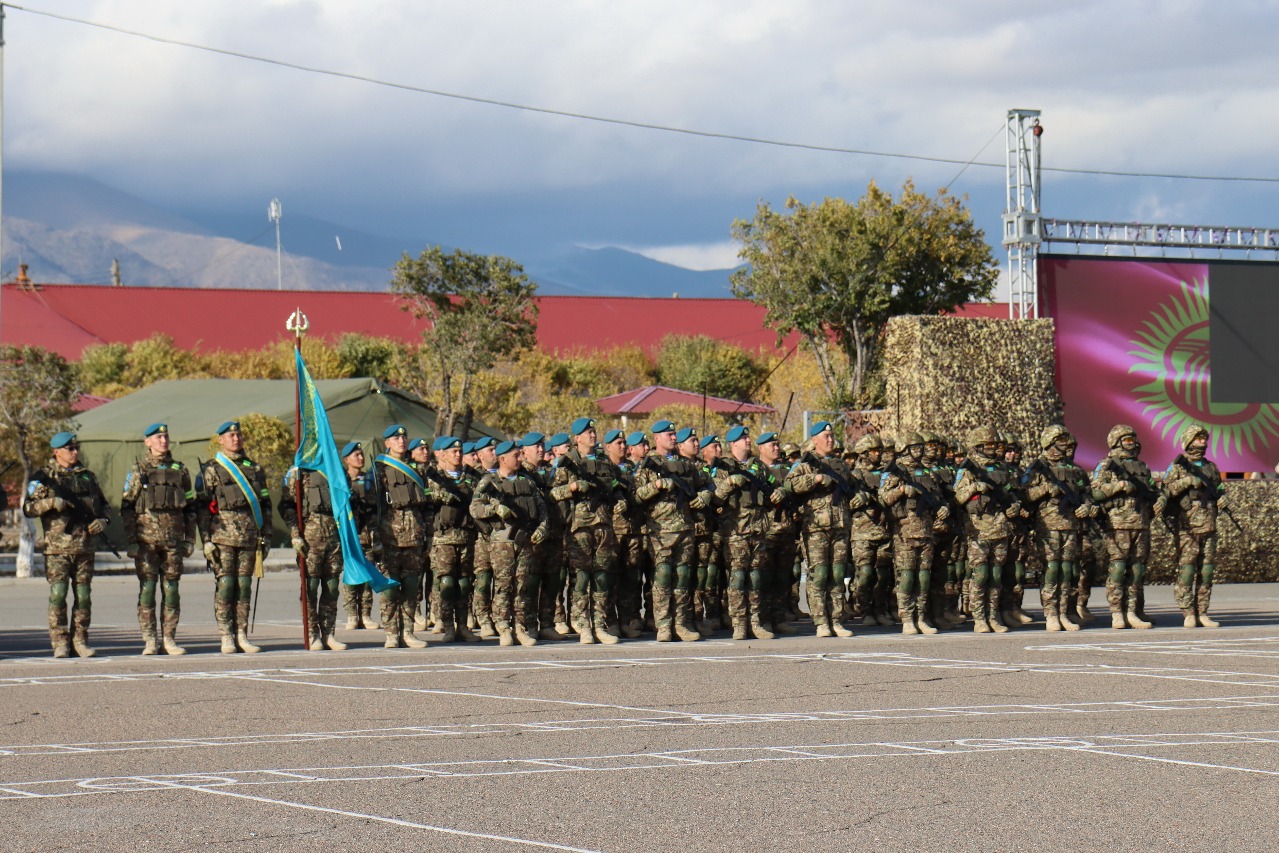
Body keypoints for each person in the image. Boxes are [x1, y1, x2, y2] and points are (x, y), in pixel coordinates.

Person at [23, 431, 111, 658]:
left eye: (75, 448)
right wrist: (51, 503)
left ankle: (80, 641)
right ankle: (60, 642)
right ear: (56, 451)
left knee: (83, 596)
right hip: (57, 548)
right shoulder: (43, 478)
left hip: (85, 546)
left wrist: (103, 521)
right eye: (69, 449)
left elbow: (104, 506)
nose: (74, 452)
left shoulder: (87, 477)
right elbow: (28, 508)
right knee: (59, 594)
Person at [633, 420, 714, 642]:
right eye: (668, 434)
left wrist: (706, 495)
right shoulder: (648, 464)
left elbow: (706, 484)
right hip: (661, 531)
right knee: (663, 577)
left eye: (674, 433)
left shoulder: (686, 465)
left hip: (685, 528)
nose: (673, 437)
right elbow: (635, 496)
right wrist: (656, 487)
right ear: (657, 438)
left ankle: (681, 623)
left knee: (682, 577)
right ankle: (663, 625)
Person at [196, 421, 271, 654]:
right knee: (226, 586)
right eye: (230, 435)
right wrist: (206, 540)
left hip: (249, 536)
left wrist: (266, 535)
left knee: (244, 586)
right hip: (222, 537)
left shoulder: (255, 469)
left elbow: (265, 504)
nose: (235, 439)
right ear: (220, 440)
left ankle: (242, 634)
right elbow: (201, 508)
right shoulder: (212, 469)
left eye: (238, 434)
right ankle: (226, 636)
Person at [120, 423, 196, 655]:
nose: (163, 441)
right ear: (148, 442)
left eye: (166, 436)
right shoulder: (138, 470)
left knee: (171, 590)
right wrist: (133, 540)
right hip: (146, 543)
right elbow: (127, 507)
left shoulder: (180, 470)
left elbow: (191, 508)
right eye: (158, 437)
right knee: (148, 589)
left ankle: (169, 639)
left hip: (173, 542)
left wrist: (189, 539)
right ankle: (150, 640)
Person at [551, 417, 625, 644]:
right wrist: (572, 487)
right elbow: (552, 494)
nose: (592, 435)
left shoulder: (604, 461)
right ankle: (583, 625)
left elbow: (616, 486)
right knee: (581, 577)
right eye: (587, 432)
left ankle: (600, 624)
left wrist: (621, 499)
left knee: (602, 576)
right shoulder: (567, 462)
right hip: (579, 527)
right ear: (577, 438)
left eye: (593, 431)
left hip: (603, 525)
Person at [471, 440, 549, 645]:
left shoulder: (528, 481)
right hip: (502, 542)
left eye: (520, 455)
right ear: (503, 458)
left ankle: (520, 626)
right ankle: (503, 626)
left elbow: (542, 509)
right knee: (504, 585)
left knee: (522, 585)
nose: (520, 459)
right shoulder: (490, 482)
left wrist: (542, 528)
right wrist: (494, 509)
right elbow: (475, 509)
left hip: (525, 540)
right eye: (516, 455)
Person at [1023, 425, 1097, 631]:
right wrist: (1046, 489)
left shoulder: (1074, 469)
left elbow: (1088, 494)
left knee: (1066, 570)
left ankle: (1064, 612)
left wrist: (1087, 507)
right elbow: (1025, 495)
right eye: (1059, 441)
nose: (1063, 447)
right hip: (1048, 527)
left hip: (1070, 526)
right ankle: (1050, 614)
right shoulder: (1037, 468)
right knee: (1051, 570)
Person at [785, 421, 855, 638]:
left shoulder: (840, 465)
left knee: (837, 574)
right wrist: (814, 479)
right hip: (816, 526)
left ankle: (836, 619)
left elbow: (852, 488)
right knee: (819, 574)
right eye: (826, 436)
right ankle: (821, 621)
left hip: (840, 525)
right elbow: (789, 485)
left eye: (832, 436)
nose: (830, 439)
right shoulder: (805, 463)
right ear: (815, 440)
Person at [879, 431, 948, 635]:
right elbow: (883, 499)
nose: (919, 451)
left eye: (920, 447)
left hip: (927, 532)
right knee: (907, 577)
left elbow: (939, 497)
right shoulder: (894, 472)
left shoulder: (928, 473)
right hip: (905, 533)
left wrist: (944, 508)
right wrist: (901, 491)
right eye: (914, 448)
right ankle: (907, 618)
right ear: (904, 449)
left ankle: (921, 617)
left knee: (924, 577)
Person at [1159, 423, 1226, 628]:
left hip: (1209, 523)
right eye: (1198, 438)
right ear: (1188, 441)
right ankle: (1188, 612)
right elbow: (1166, 490)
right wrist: (1187, 482)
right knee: (1187, 569)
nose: (1202, 442)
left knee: (1206, 571)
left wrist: (1223, 499)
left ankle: (1203, 611)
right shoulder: (1177, 466)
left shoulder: (1211, 467)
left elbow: (1220, 488)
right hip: (1187, 525)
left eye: (1204, 439)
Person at [954, 425, 1020, 634]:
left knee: (996, 575)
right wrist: (974, 487)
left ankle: (993, 615)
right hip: (979, 529)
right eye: (989, 445)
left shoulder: (1002, 468)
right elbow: (958, 497)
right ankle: (979, 617)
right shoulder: (968, 469)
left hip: (1000, 527)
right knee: (981, 574)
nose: (993, 448)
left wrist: (1015, 506)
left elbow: (1013, 492)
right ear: (979, 446)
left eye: (995, 444)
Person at [1091, 424, 1156, 630]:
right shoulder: (1107, 465)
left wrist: (1160, 499)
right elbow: (1095, 493)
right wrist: (1117, 487)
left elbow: (1153, 491)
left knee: (1137, 570)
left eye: (1133, 440)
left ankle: (1132, 611)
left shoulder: (1141, 466)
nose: (1132, 444)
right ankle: (1117, 613)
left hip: (1141, 523)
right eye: (1127, 440)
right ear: (1117, 442)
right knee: (1118, 569)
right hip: (1118, 524)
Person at [373, 424, 430, 648]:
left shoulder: (418, 470)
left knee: (411, 586)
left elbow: (427, 506)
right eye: (395, 438)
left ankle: (408, 632)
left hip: (415, 536)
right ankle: (391, 633)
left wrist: (429, 534)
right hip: (390, 537)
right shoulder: (379, 469)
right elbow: (373, 506)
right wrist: (374, 540)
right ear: (387, 443)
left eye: (404, 437)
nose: (401, 441)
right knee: (389, 588)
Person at [281, 461, 348, 652]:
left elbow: (349, 504)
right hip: (310, 536)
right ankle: (312, 633)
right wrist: (294, 534)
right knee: (310, 586)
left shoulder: (337, 470)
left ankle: (329, 633)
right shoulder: (299, 472)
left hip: (334, 535)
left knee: (332, 586)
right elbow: (287, 505)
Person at [713, 425, 773, 640]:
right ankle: (739, 623)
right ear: (733, 444)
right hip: (735, 530)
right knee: (737, 577)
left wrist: (779, 493)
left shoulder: (759, 466)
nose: (748, 441)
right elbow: (715, 498)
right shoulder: (723, 467)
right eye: (743, 438)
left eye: (748, 437)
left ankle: (755, 621)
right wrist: (728, 483)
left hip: (758, 529)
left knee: (755, 576)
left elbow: (774, 486)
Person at [427, 436, 481, 643]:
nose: (458, 455)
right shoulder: (434, 478)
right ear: (443, 455)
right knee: (447, 583)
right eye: (453, 452)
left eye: (460, 452)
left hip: (466, 536)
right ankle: (448, 626)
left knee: (464, 583)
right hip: (444, 538)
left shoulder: (472, 477)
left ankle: (463, 626)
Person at [848, 434, 892, 626]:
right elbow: (848, 503)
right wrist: (862, 497)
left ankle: (880, 610)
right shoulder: (854, 476)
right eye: (874, 451)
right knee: (865, 574)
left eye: (880, 451)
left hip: (885, 530)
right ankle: (865, 611)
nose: (878, 454)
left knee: (883, 576)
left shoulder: (886, 473)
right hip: (862, 533)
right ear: (864, 454)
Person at [341, 441, 380, 630]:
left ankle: (366, 614)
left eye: (361, 454)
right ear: (346, 459)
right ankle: (352, 615)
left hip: (367, 535)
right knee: (351, 575)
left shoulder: (369, 480)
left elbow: (375, 508)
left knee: (367, 574)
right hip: (350, 535)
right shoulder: (342, 481)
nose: (361, 458)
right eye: (356, 455)